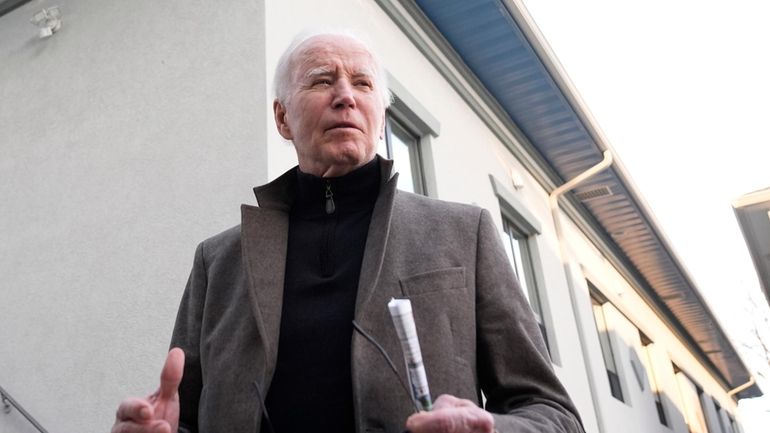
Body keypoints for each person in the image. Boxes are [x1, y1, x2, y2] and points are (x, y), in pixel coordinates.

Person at [111, 30, 583, 433]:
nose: (345, 95)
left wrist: (493, 428)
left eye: (362, 83)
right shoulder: (218, 261)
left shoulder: (464, 232)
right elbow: (183, 416)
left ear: (380, 113)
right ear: (282, 118)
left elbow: (553, 413)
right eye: (321, 80)